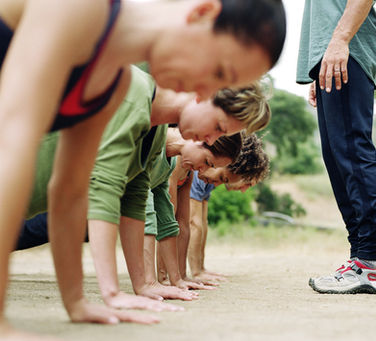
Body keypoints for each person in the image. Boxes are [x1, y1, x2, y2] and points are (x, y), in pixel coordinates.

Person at [0, 0, 286, 337]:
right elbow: (12, 138)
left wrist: (76, 303)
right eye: (220, 72)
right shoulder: (81, 7)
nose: (205, 92)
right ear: (202, 13)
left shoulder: (116, 83)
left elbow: (70, 189)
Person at [17, 64, 270, 310]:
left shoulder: (157, 132)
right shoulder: (133, 93)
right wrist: (112, 293)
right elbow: (104, 189)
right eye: (217, 127)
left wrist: (144, 285)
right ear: (203, 93)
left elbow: (134, 200)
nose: (210, 140)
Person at [296, 0, 376, 294]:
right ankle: (360, 259)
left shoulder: (343, 43)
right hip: (331, 56)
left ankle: (372, 262)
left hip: (346, 50)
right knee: (337, 157)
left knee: (352, 152)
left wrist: (339, 42)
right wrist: (319, 62)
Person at [188, 134, 270, 283]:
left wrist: (201, 269)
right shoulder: (200, 173)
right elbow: (193, 224)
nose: (244, 190)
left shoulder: (210, 181)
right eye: (248, 184)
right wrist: (196, 273)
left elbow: (203, 223)